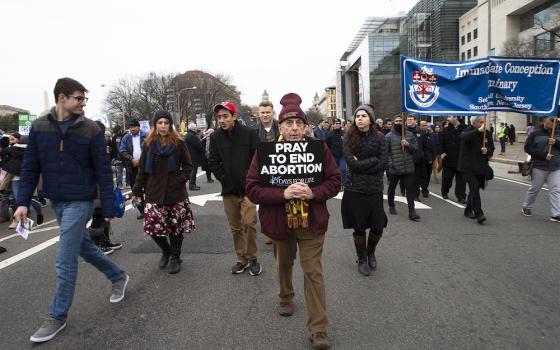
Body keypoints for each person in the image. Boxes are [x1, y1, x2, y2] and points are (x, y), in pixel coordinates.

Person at [15, 77, 128, 343]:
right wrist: (22, 202)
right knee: (82, 247)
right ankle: (118, 276)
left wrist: (109, 206)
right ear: (61, 97)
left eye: (84, 98)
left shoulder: (91, 129)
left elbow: (102, 168)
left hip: (81, 200)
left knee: (64, 259)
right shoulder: (40, 126)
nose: (83, 103)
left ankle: (58, 315)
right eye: (79, 98)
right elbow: (30, 166)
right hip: (56, 200)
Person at [246, 93, 339, 350]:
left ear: (306, 126)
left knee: (313, 273)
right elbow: (252, 188)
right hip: (280, 221)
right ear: (281, 126)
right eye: (289, 124)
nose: (295, 128)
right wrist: (282, 194)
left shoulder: (319, 149)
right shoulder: (266, 152)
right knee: (283, 265)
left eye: (299, 123)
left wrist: (314, 192)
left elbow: (334, 181)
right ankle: (285, 297)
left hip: (311, 222)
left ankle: (318, 328)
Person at [132, 110, 196, 273]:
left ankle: (175, 257)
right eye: (160, 123)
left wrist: (178, 180)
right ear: (155, 125)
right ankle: (166, 250)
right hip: (154, 191)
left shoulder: (178, 143)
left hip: (175, 192)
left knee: (176, 227)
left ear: (170, 125)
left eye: (166, 123)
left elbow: (188, 167)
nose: (163, 126)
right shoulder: (148, 144)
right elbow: (142, 170)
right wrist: (137, 189)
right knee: (153, 227)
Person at [208, 101, 262, 276]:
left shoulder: (249, 134)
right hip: (228, 190)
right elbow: (213, 162)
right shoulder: (215, 137)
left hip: (248, 190)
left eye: (225, 116)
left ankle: (253, 258)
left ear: (234, 116)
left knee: (249, 224)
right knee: (236, 228)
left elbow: (259, 159)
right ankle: (242, 259)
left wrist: (252, 181)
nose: (221, 120)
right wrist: (224, 179)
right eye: (219, 117)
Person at [341, 105, 388, 276]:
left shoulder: (380, 137)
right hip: (355, 189)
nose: (359, 118)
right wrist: (372, 161)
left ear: (371, 119)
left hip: (374, 189)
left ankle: (371, 252)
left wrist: (362, 163)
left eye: (363, 115)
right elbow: (351, 165)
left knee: (378, 226)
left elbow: (383, 163)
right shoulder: (348, 137)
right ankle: (362, 258)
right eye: (357, 116)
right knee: (359, 228)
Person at [457, 116, 495, 224]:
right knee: (474, 187)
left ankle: (468, 210)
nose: (484, 124)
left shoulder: (486, 133)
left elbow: (492, 147)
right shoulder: (468, 130)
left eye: (484, 122)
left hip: (480, 167)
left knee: (475, 190)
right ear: (474, 123)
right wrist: (478, 131)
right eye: (481, 122)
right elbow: (463, 137)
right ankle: (479, 214)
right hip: (467, 167)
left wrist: (487, 151)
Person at [521, 117, 559, 222]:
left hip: (555, 167)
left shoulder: (558, 134)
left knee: (555, 190)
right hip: (539, 166)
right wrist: (543, 155)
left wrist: (555, 142)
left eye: (555, 120)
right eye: (551, 120)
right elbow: (527, 148)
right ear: (543, 122)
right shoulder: (535, 134)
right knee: (535, 188)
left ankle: (556, 214)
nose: (553, 122)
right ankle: (527, 206)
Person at [254, 100, 280, 244]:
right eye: (262, 112)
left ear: (272, 112)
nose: (265, 115)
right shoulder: (253, 130)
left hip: (281, 169)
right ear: (259, 114)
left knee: (281, 201)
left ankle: (280, 230)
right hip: (263, 171)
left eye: (267, 112)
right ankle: (268, 231)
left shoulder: (281, 127)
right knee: (265, 204)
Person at [385, 115, 420, 220]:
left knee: (410, 190)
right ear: (394, 122)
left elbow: (415, 149)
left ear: (403, 122)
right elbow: (386, 153)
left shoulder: (409, 135)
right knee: (391, 189)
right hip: (395, 169)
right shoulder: (389, 136)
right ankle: (391, 205)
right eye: (397, 121)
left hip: (408, 167)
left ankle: (412, 212)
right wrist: (391, 164)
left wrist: (408, 144)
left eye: (401, 121)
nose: (399, 122)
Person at [120, 119, 147, 219]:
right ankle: (142, 210)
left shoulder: (146, 135)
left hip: (146, 167)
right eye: (130, 128)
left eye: (133, 127)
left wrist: (141, 160)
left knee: (148, 188)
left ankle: (150, 209)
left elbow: (151, 149)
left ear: (138, 126)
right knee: (136, 189)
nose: (131, 129)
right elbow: (122, 151)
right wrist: (131, 159)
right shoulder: (126, 137)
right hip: (132, 167)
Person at [439, 116, 467, 203]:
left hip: (461, 158)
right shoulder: (446, 130)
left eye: (450, 116)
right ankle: (445, 192)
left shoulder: (465, 129)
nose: (448, 118)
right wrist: (442, 152)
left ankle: (461, 196)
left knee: (461, 180)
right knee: (447, 178)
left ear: (456, 117)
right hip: (448, 158)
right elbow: (440, 143)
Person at [325, 118, 346, 188]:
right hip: (334, 155)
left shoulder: (344, 133)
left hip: (343, 155)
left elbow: (347, 143)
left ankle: (342, 184)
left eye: (339, 123)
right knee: (334, 171)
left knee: (343, 170)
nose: (338, 125)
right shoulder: (330, 134)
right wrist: (331, 152)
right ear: (333, 125)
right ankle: (336, 183)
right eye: (336, 123)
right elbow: (327, 144)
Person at [184, 123, 205, 191]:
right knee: (193, 170)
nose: (196, 129)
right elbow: (198, 146)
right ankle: (192, 185)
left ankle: (192, 184)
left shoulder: (187, 135)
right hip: (193, 155)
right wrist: (202, 142)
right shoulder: (192, 136)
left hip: (189, 155)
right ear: (193, 129)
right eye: (195, 128)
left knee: (192, 170)